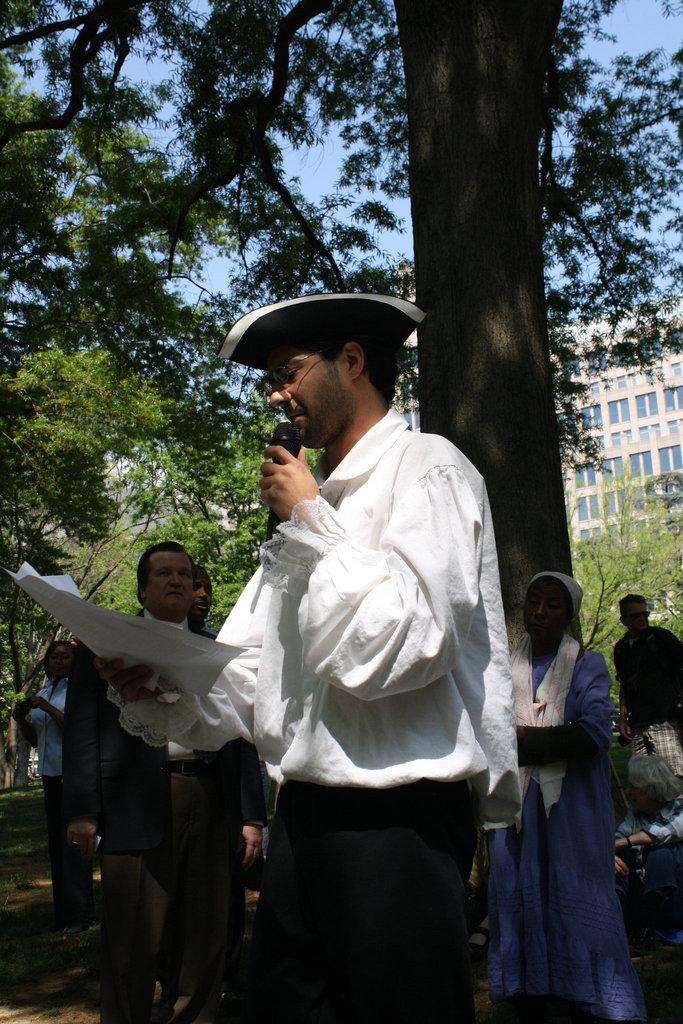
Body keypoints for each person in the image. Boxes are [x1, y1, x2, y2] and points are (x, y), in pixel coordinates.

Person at [94, 293, 521, 1024]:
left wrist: (310, 520)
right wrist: (160, 682)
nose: (273, 393)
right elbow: (261, 678)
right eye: (271, 377)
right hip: (305, 816)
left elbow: (406, 643)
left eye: (287, 370)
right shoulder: (307, 506)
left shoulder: (428, 469)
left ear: (350, 361)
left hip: (401, 818)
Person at [61, 542, 266, 1024]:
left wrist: (252, 816)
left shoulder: (217, 648)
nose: (177, 581)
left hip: (210, 798)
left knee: (205, 933)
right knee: (133, 939)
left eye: (184, 574)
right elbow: (82, 731)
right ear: (142, 588)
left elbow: (241, 734)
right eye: (164, 574)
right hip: (134, 803)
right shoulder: (104, 644)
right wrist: (83, 809)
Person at [488, 571, 646, 1023]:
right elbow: (483, 731)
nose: (538, 611)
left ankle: (593, 998)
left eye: (551, 605)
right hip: (514, 810)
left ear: (569, 615)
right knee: (520, 895)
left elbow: (594, 735)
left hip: (569, 813)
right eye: (533, 602)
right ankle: (533, 993)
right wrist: (533, 737)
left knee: (575, 902)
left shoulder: (586, 666)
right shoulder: (500, 670)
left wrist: (517, 736)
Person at [12, 639, 94, 934]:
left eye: (65, 657)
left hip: (73, 774)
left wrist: (45, 707)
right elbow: (38, 741)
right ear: (47, 662)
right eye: (54, 658)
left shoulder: (77, 691)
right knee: (57, 846)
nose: (59, 662)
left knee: (75, 846)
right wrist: (22, 721)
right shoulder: (46, 690)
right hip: (50, 775)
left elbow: (76, 729)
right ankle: (63, 913)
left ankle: (82, 913)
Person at [615, 754, 683, 954]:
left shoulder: (680, 810)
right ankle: (614, 926)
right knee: (619, 860)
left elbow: (661, 833)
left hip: (674, 901)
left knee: (661, 852)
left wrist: (621, 843)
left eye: (634, 787)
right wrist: (612, 855)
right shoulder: (634, 816)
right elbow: (617, 840)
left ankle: (643, 931)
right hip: (640, 897)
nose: (627, 791)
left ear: (652, 789)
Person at [613, 594, 683, 776]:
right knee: (643, 781)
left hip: (664, 720)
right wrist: (623, 717)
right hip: (637, 725)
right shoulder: (621, 648)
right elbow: (623, 684)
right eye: (636, 616)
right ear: (623, 620)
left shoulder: (661, 638)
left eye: (645, 614)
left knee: (673, 779)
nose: (642, 618)